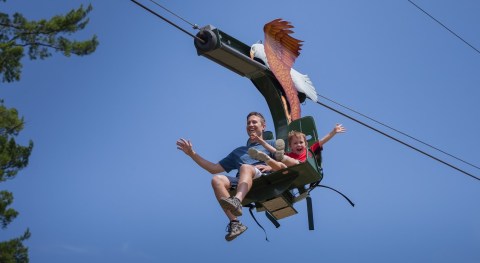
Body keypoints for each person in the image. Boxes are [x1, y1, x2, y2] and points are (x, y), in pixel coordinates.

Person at [176, 112, 276, 241]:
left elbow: (287, 162)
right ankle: (235, 223)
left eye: (254, 122)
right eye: (248, 123)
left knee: (245, 167)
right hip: (243, 181)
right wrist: (192, 154)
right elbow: (213, 169)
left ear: (263, 126)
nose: (250, 125)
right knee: (217, 179)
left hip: (264, 177)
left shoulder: (271, 144)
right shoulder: (238, 152)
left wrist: (271, 167)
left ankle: (237, 201)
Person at [248, 124, 346, 169]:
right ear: (290, 146)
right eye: (295, 143)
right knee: (281, 164)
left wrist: (333, 132)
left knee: (289, 160)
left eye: (301, 142)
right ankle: (267, 159)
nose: (298, 145)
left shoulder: (309, 150)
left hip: (304, 167)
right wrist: (261, 141)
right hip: (289, 170)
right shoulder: (290, 154)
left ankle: (276, 157)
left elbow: (322, 141)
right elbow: (273, 150)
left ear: (306, 144)